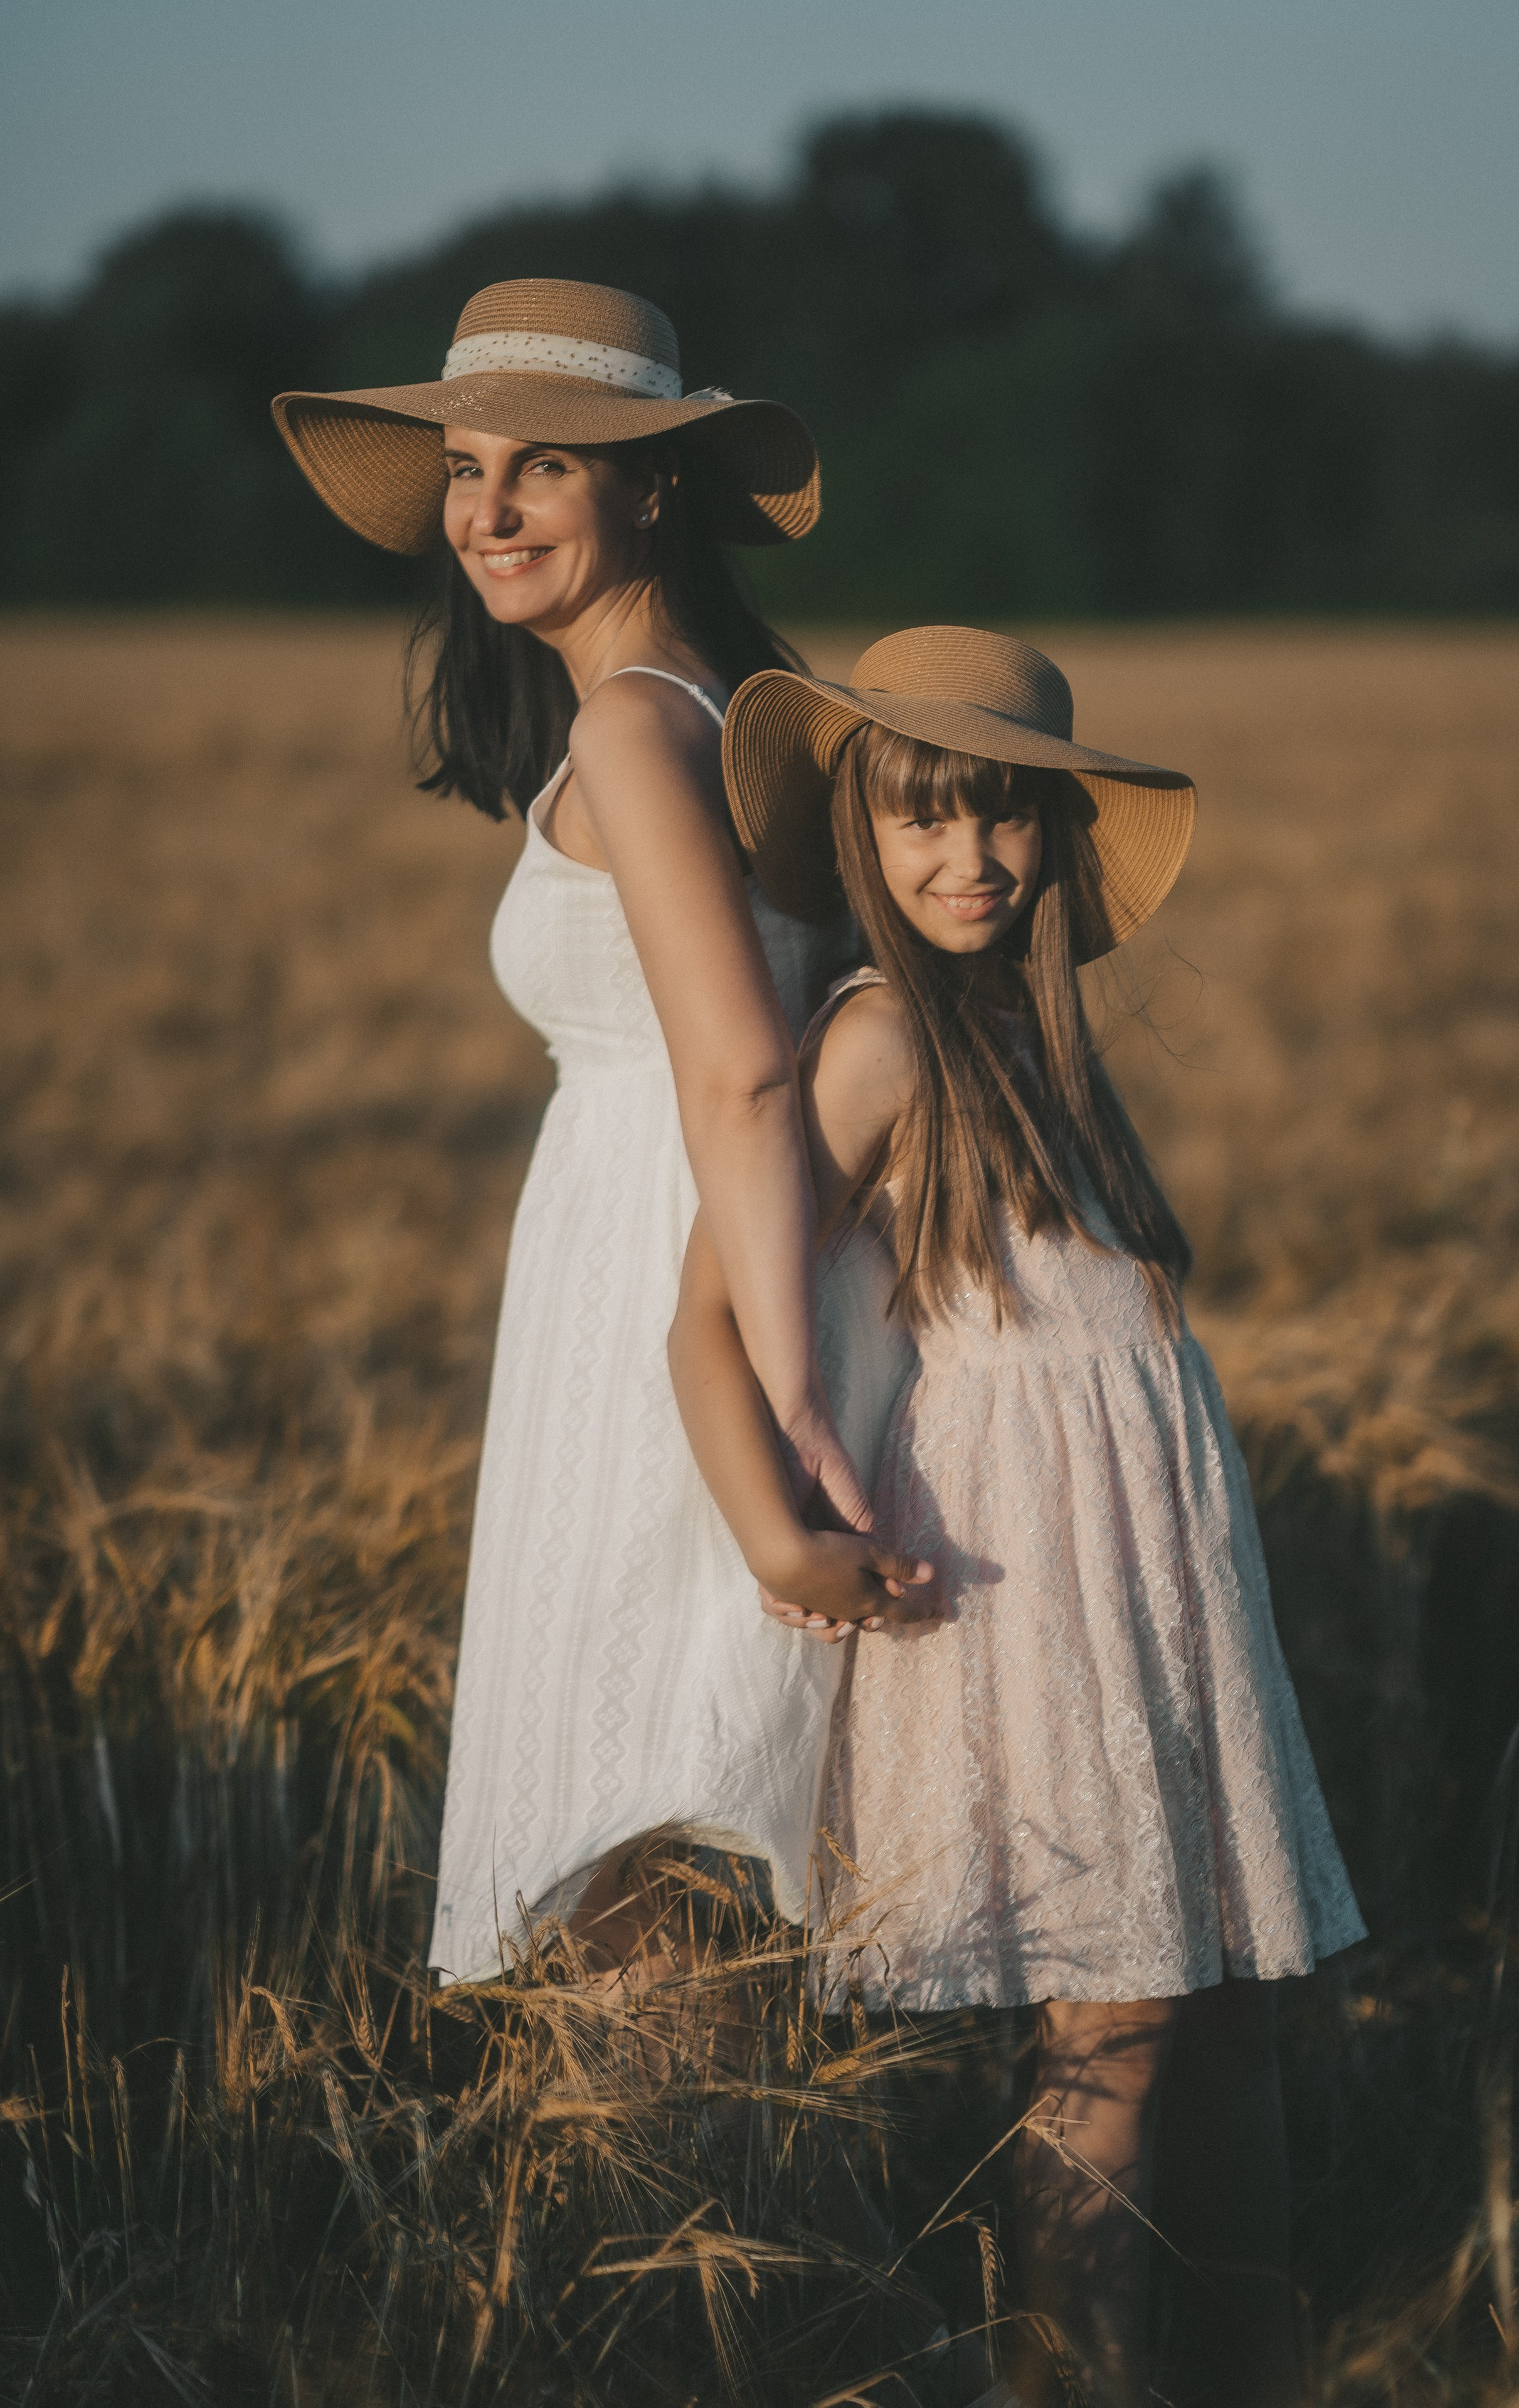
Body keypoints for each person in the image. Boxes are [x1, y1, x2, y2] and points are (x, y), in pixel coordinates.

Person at [669, 626, 1366, 2407]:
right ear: (860, 837)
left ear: (1058, 841)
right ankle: (1075, 2384)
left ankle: (1247, 2365)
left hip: (1163, 1581)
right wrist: (777, 1534)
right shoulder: (881, 1041)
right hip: (1031, 1596)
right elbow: (705, 1317)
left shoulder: (1033, 1039)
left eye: (1004, 823)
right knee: (1112, 2030)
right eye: (923, 821)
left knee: (1220, 2015)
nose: (968, 861)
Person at [273, 277, 891, 1983]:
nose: (486, 511)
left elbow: (748, 1077)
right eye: (469, 470)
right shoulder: (716, 708)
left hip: (671, 1288)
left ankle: (691, 2237)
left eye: (542, 468)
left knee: (647, 1868)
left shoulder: (635, 722)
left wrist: (779, 1395)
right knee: (667, 1857)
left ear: (654, 489)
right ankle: (716, 2227)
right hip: (695, 1265)